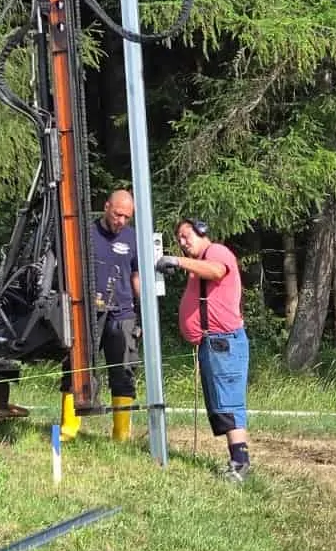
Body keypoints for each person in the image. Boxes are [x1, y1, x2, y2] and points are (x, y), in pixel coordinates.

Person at [158, 218, 250, 482]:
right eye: (179, 239)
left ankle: (240, 465)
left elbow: (217, 271)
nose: (183, 242)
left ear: (201, 232)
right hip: (213, 344)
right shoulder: (198, 264)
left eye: (187, 236)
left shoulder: (216, 252)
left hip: (224, 342)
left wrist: (177, 261)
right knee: (221, 404)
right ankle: (236, 461)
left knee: (229, 403)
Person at [61, 189, 143, 441]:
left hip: (123, 314)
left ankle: (120, 433)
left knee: (124, 369)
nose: (121, 221)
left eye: (126, 217)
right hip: (87, 312)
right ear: (106, 207)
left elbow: (136, 276)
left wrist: (144, 310)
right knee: (76, 366)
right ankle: (69, 428)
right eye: (118, 214)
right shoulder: (85, 233)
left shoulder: (133, 238)